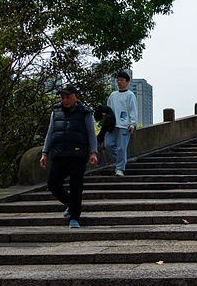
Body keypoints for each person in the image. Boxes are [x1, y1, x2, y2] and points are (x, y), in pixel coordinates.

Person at [40, 84, 98, 229]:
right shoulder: (56, 110)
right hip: (59, 153)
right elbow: (50, 132)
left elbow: (91, 133)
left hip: (78, 154)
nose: (65, 100)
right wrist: (44, 153)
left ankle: (74, 217)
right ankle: (71, 205)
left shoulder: (85, 112)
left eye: (68, 97)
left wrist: (93, 152)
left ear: (75, 96)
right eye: (62, 97)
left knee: (76, 186)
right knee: (53, 184)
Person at [105, 71, 138, 176]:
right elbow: (108, 109)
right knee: (108, 145)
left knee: (121, 148)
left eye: (122, 80)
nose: (119, 82)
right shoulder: (113, 95)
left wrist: (133, 124)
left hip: (124, 125)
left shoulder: (130, 95)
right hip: (112, 125)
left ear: (127, 82)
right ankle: (121, 162)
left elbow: (133, 110)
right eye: (118, 80)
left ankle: (120, 168)